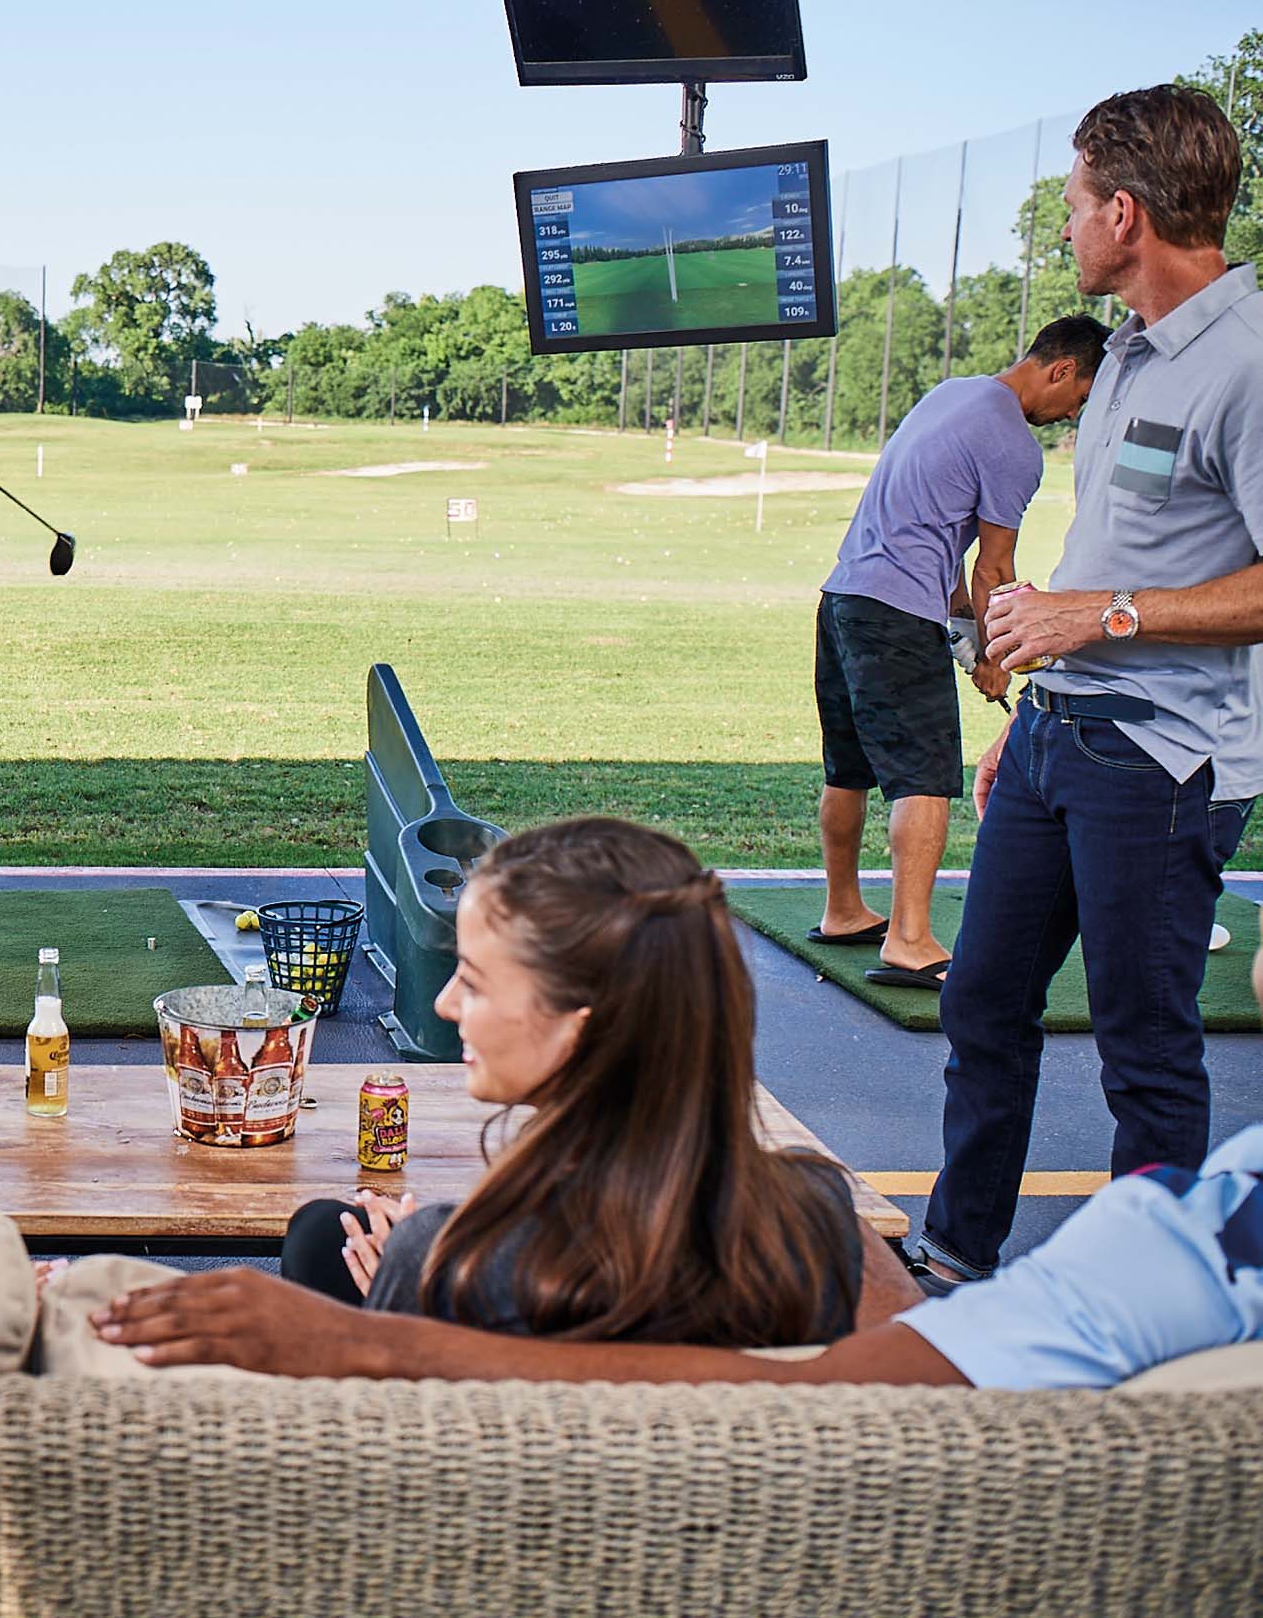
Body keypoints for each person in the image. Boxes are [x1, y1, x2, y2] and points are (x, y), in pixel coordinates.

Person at [918, 83, 1263, 1287]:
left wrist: (1099, 615)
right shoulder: (1116, 356)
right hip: (1056, 735)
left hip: (1163, 761)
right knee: (981, 1003)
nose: (1064, 227)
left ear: (1124, 213)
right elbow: (1124, 550)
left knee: (1143, 1049)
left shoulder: (1249, 361)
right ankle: (955, 1258)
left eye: (1072, 205)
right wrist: (1040, 688)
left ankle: (1147, 1300)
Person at [270, 817, 915, 1347]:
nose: (445, 1003)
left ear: (577, 1031)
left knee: (325, 1237)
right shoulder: (817, 1219)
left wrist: (405, 1310)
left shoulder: (453, 1267)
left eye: (474, 980)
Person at [90, 1119, 1263, 1389]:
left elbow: (822, 1390)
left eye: (476, 979)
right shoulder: (1202, 1242)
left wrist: (378, 1331)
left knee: (329, 1238)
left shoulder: (1163, 1267)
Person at [811, 316, 1109, 991]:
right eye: (1080, 397)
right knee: (925, 776)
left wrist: (968, 637)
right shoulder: (1015, 445)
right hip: (895, 616)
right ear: (1062, 370)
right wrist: (999, 657)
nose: (1073, 415)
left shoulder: (952, 393)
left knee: (848, 766)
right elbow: (993, 569)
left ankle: (842, 909)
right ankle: (909, 939)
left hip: (843, 598)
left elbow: (939, 544)